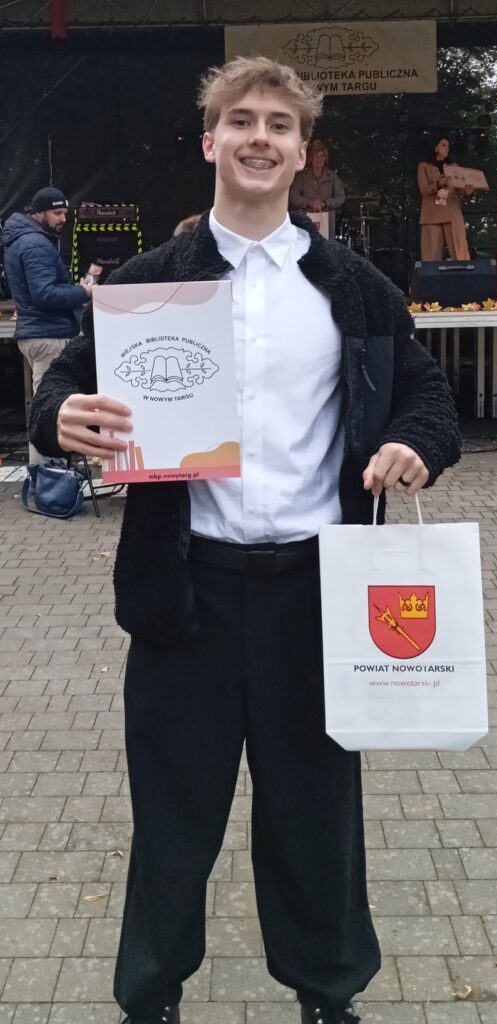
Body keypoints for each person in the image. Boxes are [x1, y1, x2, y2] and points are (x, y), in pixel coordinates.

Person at [30, 56, 461, 1024]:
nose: (258, 137)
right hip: (183, 595)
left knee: (316, 813)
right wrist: (59, 418)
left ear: (302, 153)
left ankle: (326, 992)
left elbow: (426, 394)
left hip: (314, 592)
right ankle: (151, 996)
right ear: (209, 141)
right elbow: (66, 383)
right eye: (240, 120)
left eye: (278, 124)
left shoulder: (354, 288)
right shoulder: (149, 284)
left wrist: (412, 444)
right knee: (172, 813)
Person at [1, 186, 91, 463]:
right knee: (49, 410)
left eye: (65, 212)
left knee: (49, 404)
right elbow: (45, 294)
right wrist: (84, 291)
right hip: (48, 334)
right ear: (39, 212)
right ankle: (46, 478)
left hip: (39, 332)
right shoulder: (35, 244)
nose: (63, 218)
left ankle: (52, 473)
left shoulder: (23, 239)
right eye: (57, 213)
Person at [418, 136, 474, 261]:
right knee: (431, 255)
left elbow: (461, 189)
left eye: (448, 146)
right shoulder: (424, 166)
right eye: (443, 145)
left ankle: (463, 272)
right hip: (432, 212)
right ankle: (431, 274)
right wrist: (438, 184)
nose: (447, 149)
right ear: (435, 147)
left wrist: (467, 191)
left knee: (460, 251)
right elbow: (423, 189)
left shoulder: (454, 167)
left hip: (451, 210)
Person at [289, 138, 345, 237]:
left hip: (327, 222)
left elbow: (340, 197)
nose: (319, 159)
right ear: (311, 158)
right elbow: (293, 197)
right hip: (305, 221)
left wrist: (325, 203)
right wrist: (309, 203)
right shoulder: (302, 176)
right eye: (316, 156)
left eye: (322, 156)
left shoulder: (332, 176)